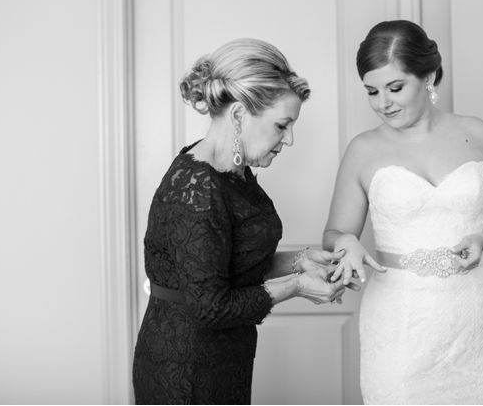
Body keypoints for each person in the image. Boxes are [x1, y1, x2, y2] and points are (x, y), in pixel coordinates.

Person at [132, 38, 358, 405]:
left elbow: (230, 263)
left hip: (224, 359)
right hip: (185, 369)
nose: (290, 139)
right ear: (239, 116)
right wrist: (297, 286)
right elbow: (211, 306)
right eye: (282, 125)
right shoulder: (199, 188)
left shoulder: (232, 171)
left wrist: (302, 260)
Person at [323, 20, 483, 404]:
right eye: (372, 91)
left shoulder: (478, 133)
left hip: (475, 317)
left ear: (430, 76)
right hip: (400, 324)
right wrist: (347, 242)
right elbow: (335, 232)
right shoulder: (362, 150)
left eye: (395, 87)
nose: (382, 103)